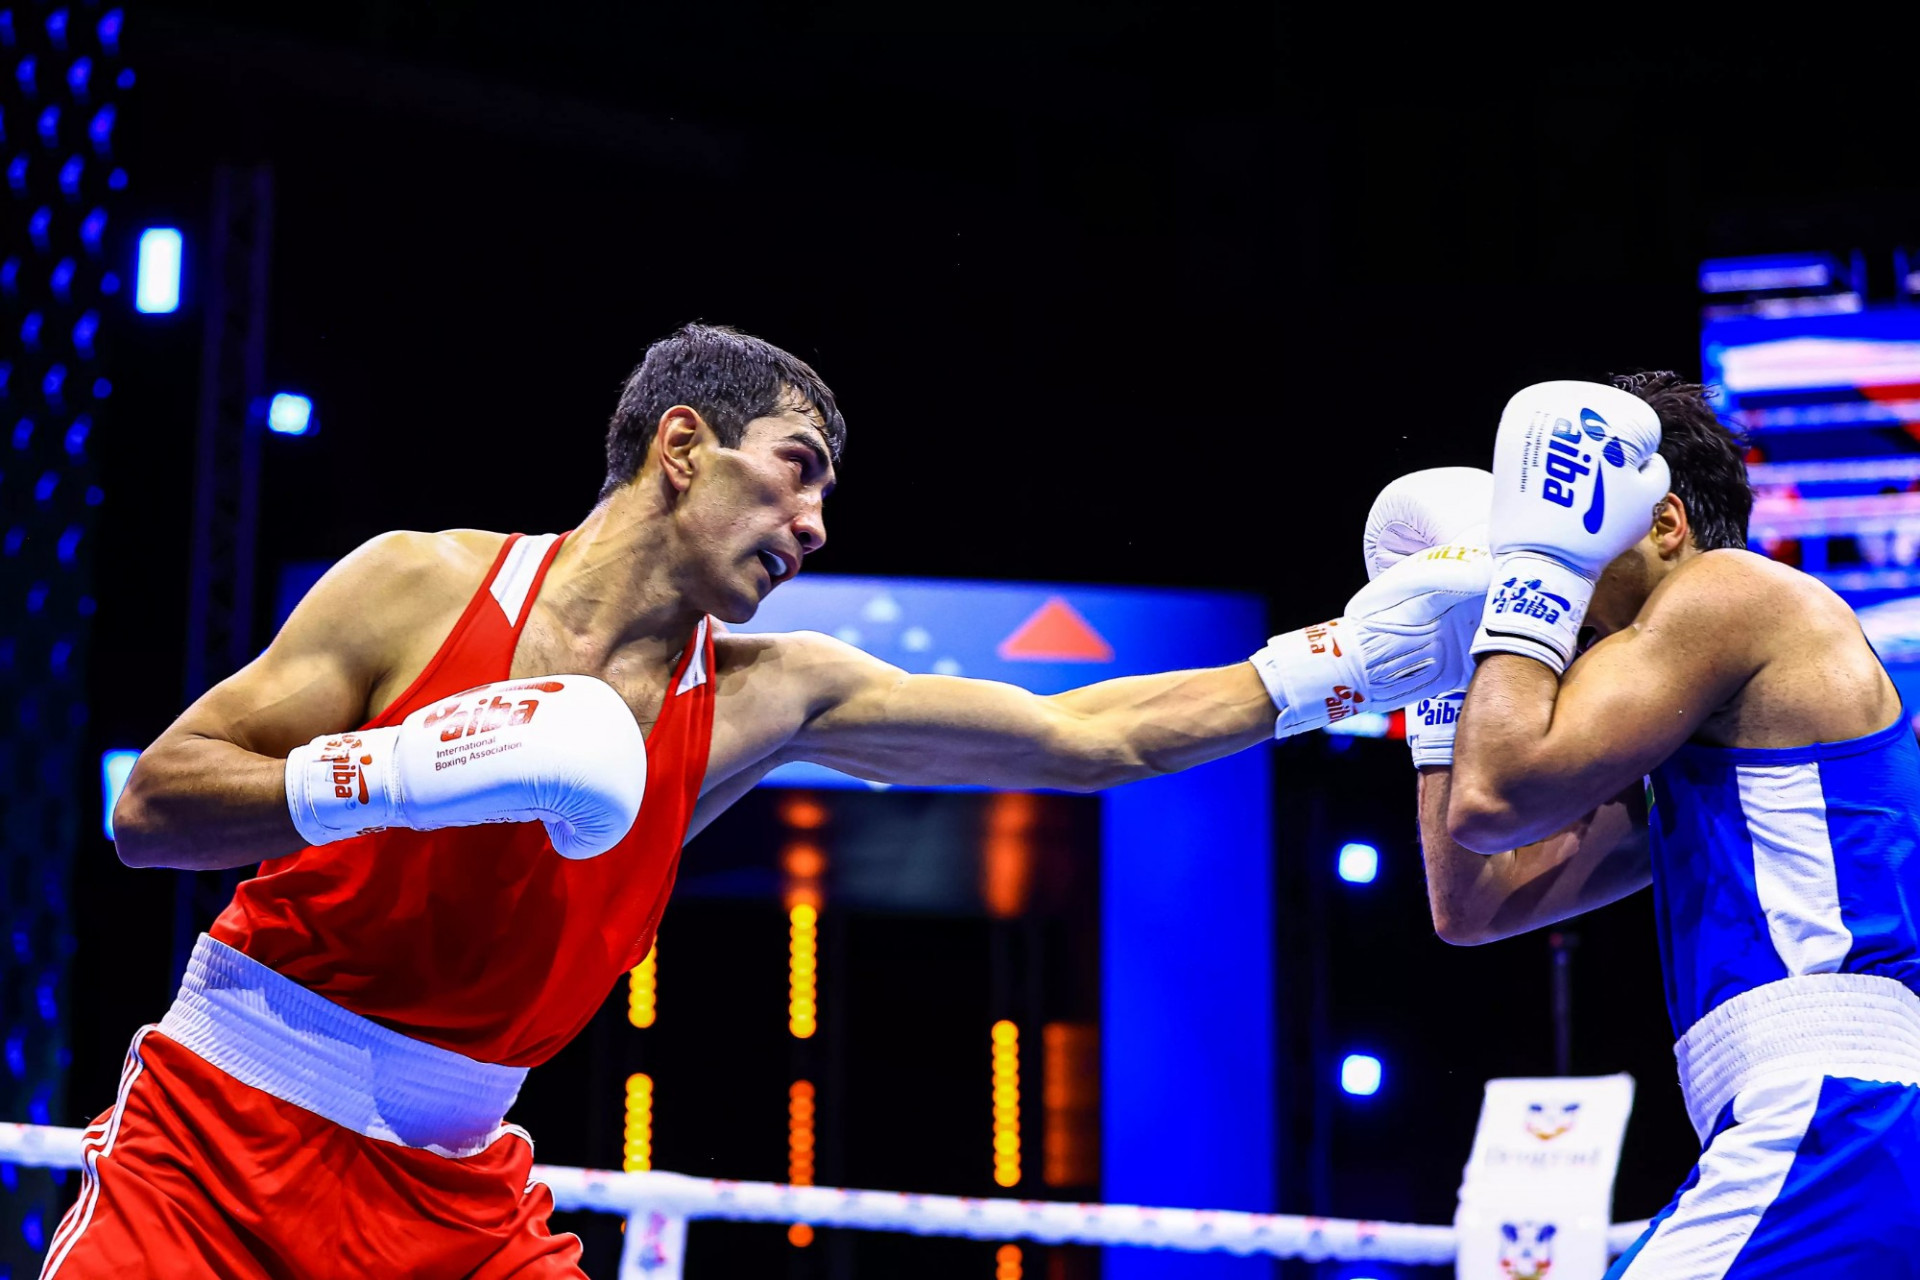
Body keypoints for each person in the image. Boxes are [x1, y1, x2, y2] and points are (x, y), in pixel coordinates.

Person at [47, 323, 1478, 1278]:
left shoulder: (764, 694)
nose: (816, 526)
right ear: (682, 447)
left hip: (452, 1187)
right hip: (221, 1133)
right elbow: (155, 807)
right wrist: (397, 775)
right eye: (796, 475)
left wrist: (1337, 664)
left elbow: (1082, 733)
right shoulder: (421, 583)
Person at [1398, 373, 1920, 1276]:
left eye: (1568, 523)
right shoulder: (1695, 755)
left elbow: (1492, 798)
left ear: (1665, 523)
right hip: (1826, 1127)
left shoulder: (1734, 592)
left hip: (1840, 1116)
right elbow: (1472, 900)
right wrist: (1447, 674)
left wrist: (1526, 580)